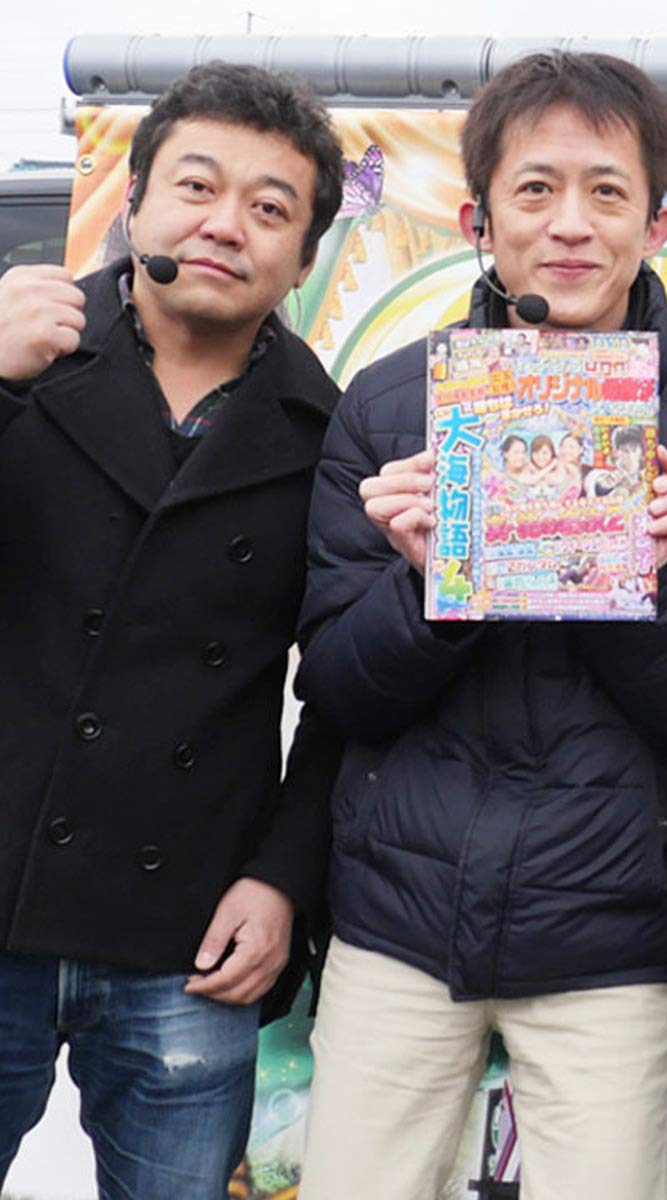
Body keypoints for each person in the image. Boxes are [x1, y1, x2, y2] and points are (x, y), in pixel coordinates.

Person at [295, 50, 667, 1200]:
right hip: (396, 925)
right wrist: (431, 583)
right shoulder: (389, 405)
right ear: (479, 218)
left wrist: (640, 580)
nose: (570, 223)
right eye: (535, 188)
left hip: (610, 937)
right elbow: (338, 685)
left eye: (606, 191)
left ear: (656, 222)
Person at [0, 62, 345, 1198]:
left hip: (186, 927)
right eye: (197, 187)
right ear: (135, 201)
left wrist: (285, 878)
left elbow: (345, 690)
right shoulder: (23, 354)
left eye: (269, 207)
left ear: (304, 257)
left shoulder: (332, 433)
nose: (225, 225)